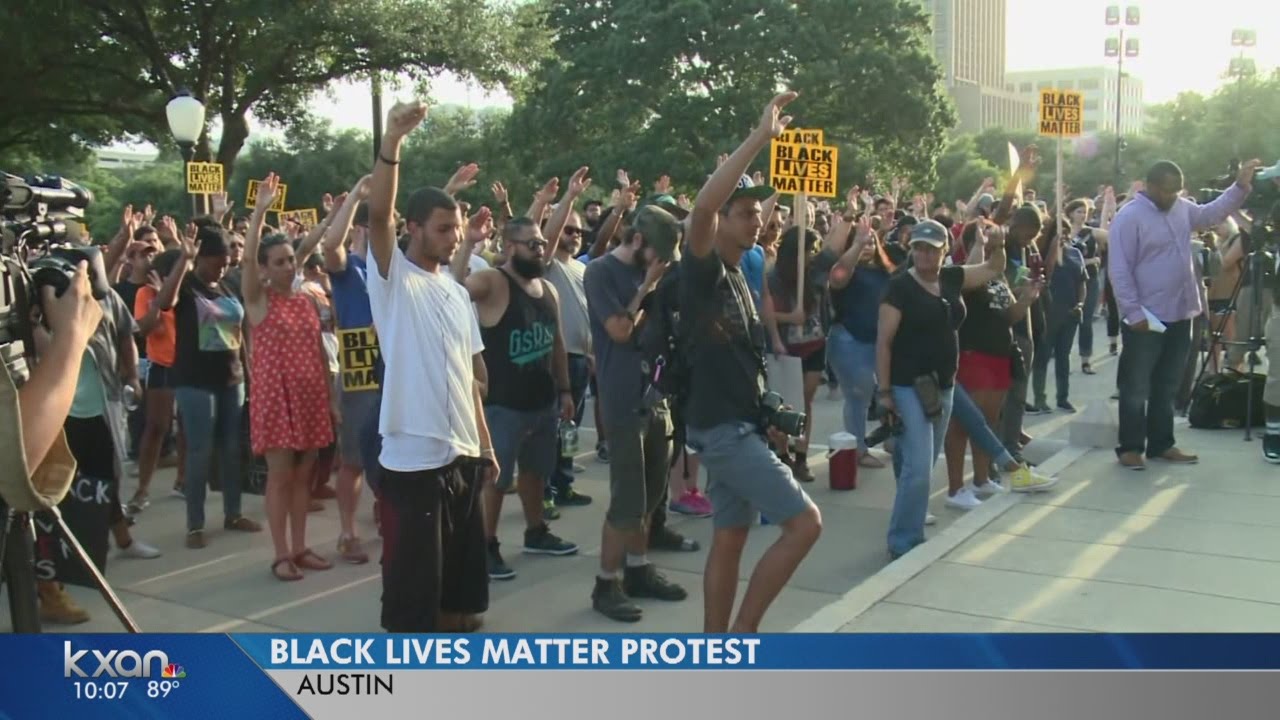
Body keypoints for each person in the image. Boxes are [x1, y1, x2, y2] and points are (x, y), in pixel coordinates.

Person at [682, 92, 822, 633]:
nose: (756, 219)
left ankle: (715, 647)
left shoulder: (744, 270)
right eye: (743, 212)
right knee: (805, 524)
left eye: (758, 212)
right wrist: (760, 139)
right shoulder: (702, 271)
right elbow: (701, 208)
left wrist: (768, 417)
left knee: (732, 535)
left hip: (741, 424)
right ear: (720, 223)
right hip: (721, 431)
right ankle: (742, 638)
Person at [366, 100, 497, 633]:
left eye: (458, 228)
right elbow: (378, 214)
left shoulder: (455, 292)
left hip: (462, 457)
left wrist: (485, 446)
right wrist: (392, 142)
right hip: (413, 463)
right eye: (444, 229)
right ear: (414, 229)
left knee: (460, 608)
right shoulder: (392, 277)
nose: (454, 236)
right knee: (412, 603)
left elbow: (469, 380)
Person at [1108, 159, 1259, 471]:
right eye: (1166, 191)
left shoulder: (1181, 208)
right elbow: (1119, 270)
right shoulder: (1129, 217)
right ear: (1149, 186)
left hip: (1182, 312)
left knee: (1168, 385)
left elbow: (1210, 213)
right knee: (1136, 386)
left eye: (1177, 191)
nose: (1172, 196)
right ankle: (1131, 448)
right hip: (1145, 317)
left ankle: (1162, 444)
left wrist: (1240, 186)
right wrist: (1132, 311)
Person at [460, 205, 581, 580]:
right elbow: (451, 289)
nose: (541, 249)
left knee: (535, 473)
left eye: (543, 243)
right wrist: (467, 243)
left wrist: (565, 390)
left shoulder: (547, 289)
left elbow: (557, 343)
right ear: (510, 247)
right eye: (532, 244)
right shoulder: (493, 283)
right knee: (496, 480)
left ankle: (536, 531)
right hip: (502, 405)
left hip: (542, 401)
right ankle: (486, 545)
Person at [876, 219, 1007, 559]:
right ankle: (903, 541)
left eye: (931, 248)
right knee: (919, 466)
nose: (923, 253)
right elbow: (884, 343)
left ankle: (909, 522)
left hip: (944, 386)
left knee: (918, 463)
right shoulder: (900, 287)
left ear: (943, 251)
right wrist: (885, 392)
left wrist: (998, 242)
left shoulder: (951, 278)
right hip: (908, 386)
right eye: (918, 247)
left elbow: (994, 268)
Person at [584, 203, 689, 622]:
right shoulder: (601, 273)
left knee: (650, 495)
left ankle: (638, 568)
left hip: (656, 394)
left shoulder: (656, 273)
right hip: (623, 395)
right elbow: (619, 330)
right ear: (639, 241)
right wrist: (646, 285)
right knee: (627, 500)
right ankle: (606, 582)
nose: (662, 265)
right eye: (658, 255)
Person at [242, 172, 338, 579]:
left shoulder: (304, 302)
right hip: (276, 398)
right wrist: (260, 211)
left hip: (310, 395)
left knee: (305, 476)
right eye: (279, 262)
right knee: (280, 477)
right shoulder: (258, 301)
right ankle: (281, 553)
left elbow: (319, 350)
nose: (289, 265)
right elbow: (247, 258)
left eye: (290, 260)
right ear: (264, 269)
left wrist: (331, 399)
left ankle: (301, 547)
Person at [158, 224, 263, 549]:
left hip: (232, 380)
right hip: (195, 382)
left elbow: (240, 331)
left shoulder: (228, 288)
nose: (223, 266)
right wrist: (183, 262)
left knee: (232, 451)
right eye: (218, 260)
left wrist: (250, 370)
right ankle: (195, 525)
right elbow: (163, 302)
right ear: (202, 257)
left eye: (227, 261)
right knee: (200, 453)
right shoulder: (188, 287)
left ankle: (233, 513)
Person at [320, 176, 376, 564]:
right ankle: (347, 531)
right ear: (359, 229)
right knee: (354, 458)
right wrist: (353, 199)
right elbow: (330, 247)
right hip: (359, 369)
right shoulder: (349, 269)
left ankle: (385, 515)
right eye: (372, 227)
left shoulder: (393, 268)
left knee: (391, 453)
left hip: (392, 367)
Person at [827, 214, 892, 469]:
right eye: (861, 242)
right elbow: (838, 276)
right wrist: (857, 244)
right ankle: (858, 450)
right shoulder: (847, 270)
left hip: (877, 344)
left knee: (885, 393)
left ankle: (888, 440)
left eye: (870, 242)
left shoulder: (884, 272)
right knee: (859, 396)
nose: (867, 246)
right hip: (849, 341)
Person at [542, 209, 595, 515]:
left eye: (578, 232)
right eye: (569, 230)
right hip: (555, 361)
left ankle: (564, 484)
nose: (575, 236)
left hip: (581, 360)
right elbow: (548, 236)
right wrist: (569, 199)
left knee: (570, 429)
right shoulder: (548, 266)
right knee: (551, 429)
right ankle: (545, 491)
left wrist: (592, 354)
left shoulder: (581, 268)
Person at [1030, 219, 1086, 414]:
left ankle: (1063, 398)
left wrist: (1080, 303)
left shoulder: (1075, 253)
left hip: (1070, 313)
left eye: (1067, 232)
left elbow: (1082, 282)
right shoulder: (1042, 252)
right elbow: (1046, 274)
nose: (1065, 236)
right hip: (1049, 312)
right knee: (1043, 356)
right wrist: (1053, 250)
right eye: (1061, 232)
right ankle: (1039, 398)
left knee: (1064, 356)